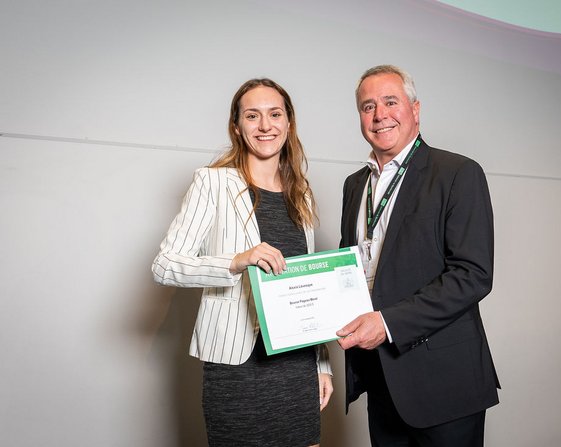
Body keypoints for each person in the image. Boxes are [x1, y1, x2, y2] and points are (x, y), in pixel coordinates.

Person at [152, 78, 333, 447]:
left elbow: (308, 289)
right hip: (237, 366)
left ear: (289, 123)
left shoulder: (303, 195)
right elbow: (164, 264)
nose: (265, 126)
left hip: (297, 367)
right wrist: (236, 261)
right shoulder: (213, 183)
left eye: (275, 114)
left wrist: (322, 365)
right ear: (237, 126)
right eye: (253, 116)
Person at [336, 65, 499, 447]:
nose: (380, 115)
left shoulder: (457, 172)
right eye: (368, 106)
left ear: (415, 109)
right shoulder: (354, 185)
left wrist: (388, 323)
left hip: (444, 383)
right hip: (380, 379)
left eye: (391, 102)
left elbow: (473, 274)